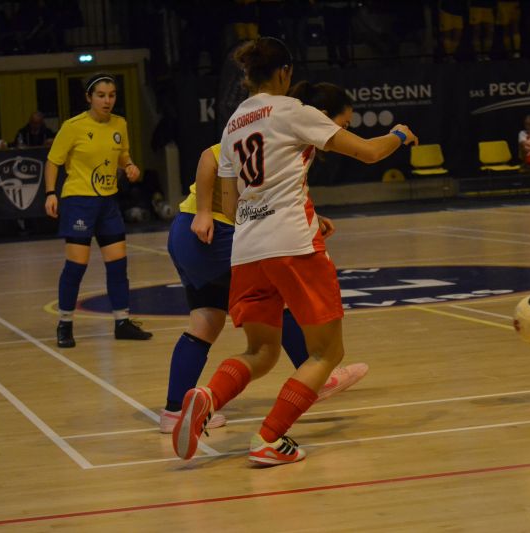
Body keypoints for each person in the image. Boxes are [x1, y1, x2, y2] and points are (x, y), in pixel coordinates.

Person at [173, 37, 418, 466]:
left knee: (261, 352)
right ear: (284, 72)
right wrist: (398, 134)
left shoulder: (232, 125)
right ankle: (269, 437)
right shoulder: (293, 111)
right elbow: (368, 152)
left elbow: (230, 203)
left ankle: (208, 396)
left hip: (246, 248)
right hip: (293, 244)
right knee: (327, 353)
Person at [161, 83, 370, 433]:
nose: (343, 130)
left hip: (185, 234)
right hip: (212, 231)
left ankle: (173, 411)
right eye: (343, 124)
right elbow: (209, 157)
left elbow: (265, 194)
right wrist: (204, 211)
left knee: (206, 322)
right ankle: (317, 373)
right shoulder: (275, 124)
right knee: (278, 294)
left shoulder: (274, 132)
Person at [44, 73, 152, 348]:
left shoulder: (119, 124)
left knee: (118, 265)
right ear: (89, 98)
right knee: (76, 266)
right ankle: (65, 324)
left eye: (112, 95)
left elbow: (122, 156)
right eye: (101, 95)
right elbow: (53, 161)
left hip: (108, 203)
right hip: (79, 202)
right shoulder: (73, 126)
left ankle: (122, 322)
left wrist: (130, 166)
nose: (107, 101)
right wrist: (50, 193)